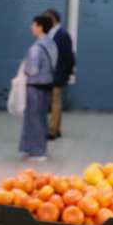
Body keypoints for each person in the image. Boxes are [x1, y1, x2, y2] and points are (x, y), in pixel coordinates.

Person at [19, 14, 58, 161]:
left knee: (33, 118)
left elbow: (32, 69)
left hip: (35, 85)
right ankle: (36, 148)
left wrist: (25, 69)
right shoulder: (51, 44)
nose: (31, 27)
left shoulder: (36, 47)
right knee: (41, 118)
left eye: (33, 25)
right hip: (47, 84)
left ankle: (36, 151)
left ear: (40, 27)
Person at [44, 8, 75, 140]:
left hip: (59, 74)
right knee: (55, 102)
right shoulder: (50, 33)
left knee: (55, 102)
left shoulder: (63, 34)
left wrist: (67, 73)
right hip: (50, 74)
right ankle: (57, 129)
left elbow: (69, 56)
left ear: (53, 19)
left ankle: (52, 131)